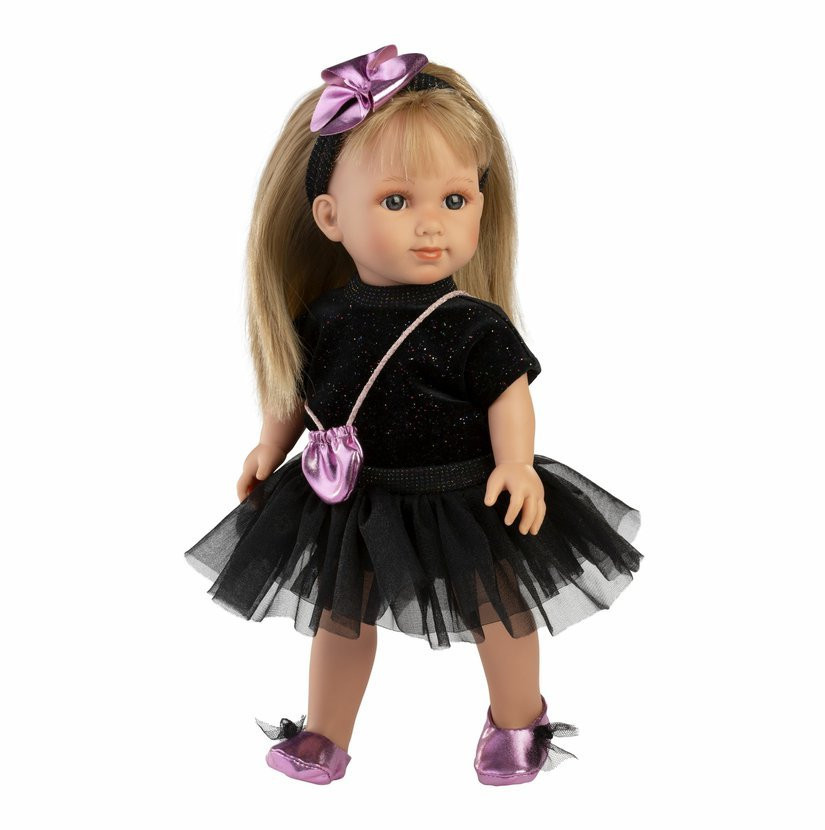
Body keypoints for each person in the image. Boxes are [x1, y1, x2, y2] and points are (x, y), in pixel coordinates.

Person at [183, 44, 644, 786]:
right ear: (330, 216)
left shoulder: (473, 323)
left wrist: (517, 463)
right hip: (353, 502)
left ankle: (518, 722)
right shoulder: (323, 318)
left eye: (454, 201)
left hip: (459, 492)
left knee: (499, 611)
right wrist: (269, 446)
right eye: (397, 202)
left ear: (482, 206)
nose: (431, 226)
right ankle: (324, 733)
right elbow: (295, 391)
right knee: (340, 619)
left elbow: (508, 395)